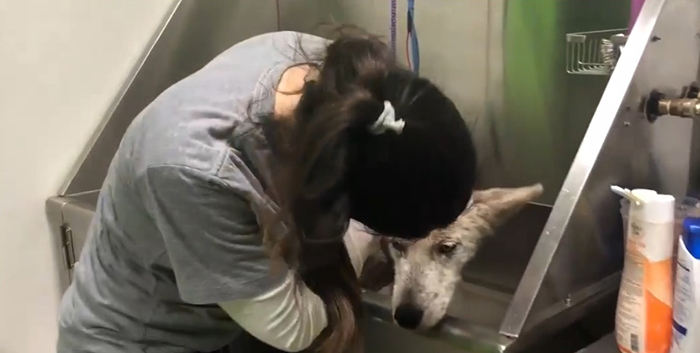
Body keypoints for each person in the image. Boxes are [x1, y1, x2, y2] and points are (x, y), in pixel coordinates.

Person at [56, 29, 477, 353]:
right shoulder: (197, 171)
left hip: (223, 324)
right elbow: (291, 328)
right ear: (340, 200)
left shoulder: (330, 77)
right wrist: (365, 242)